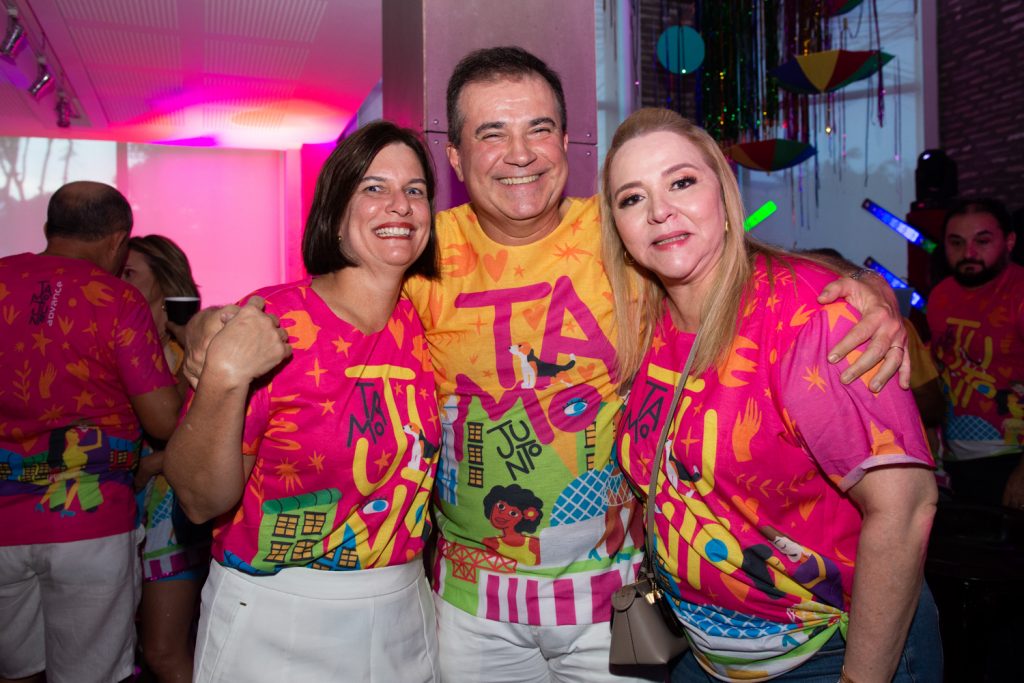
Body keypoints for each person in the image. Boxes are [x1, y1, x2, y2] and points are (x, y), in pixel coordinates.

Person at [183, 47, 909, 683]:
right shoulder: (418, 249)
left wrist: (870, 292)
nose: (520, 152)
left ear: (566, 142)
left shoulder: (625, 226)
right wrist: (210, 331)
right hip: (471, 612)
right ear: (458, 161)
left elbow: (733, 267)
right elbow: (330, 301)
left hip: (619, 602)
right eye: (490, 133)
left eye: (538, 128)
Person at [602, 108, 940, 682]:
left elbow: (904, 510)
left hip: (827, 653)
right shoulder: (646, 320)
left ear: (726, 195)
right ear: (619, 230)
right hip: (705, 654)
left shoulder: (813, 318)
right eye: (632, 198)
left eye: (681, 182)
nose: (660, 211)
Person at [163, 121, 442, 681]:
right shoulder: (271, 319)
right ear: (335, 214)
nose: (400, 205)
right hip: (278, 611)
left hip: (406, 607)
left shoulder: (429, 316)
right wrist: (219, 370)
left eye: (415, 190)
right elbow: (198, 502)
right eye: (373, 187)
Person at [0, 181, 182, 683]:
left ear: (47, 229)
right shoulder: (117, 300)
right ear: (118, 240)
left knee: (15, 672)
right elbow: (163, 421)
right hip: (89, 523)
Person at [122, 234, 207, 682]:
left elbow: (194, 434)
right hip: (121, 515)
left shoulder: (189, 350)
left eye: (130, 274)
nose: (116, 281)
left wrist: (147, 466)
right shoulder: (118, 345)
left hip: (170, 517)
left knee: (162, 651)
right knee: (128, 649)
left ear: (164, 284)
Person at [926, 198, 1024, 509]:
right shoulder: (941, 295)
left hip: (1013, 458)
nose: (968, 253)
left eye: (982, 241)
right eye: (956, 242)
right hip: (957, 459)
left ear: (1009, 241)